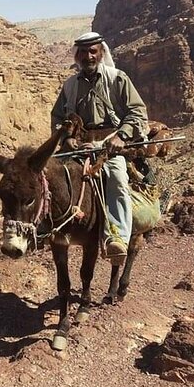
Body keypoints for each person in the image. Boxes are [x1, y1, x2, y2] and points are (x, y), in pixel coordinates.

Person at [50, 31, 149, 262]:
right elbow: (57, 118)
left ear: (101, 52)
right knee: (50, 176)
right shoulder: (70, 85)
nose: (88, 56)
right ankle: (50, 229)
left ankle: (117, 238)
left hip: (109, 145)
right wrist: (65, 139)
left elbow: (137, 111)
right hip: (78, 145)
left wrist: (121, 136)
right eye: (83, 52)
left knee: (117, 179)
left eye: (92, 51)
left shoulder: (117, 78)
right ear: (78, 55)